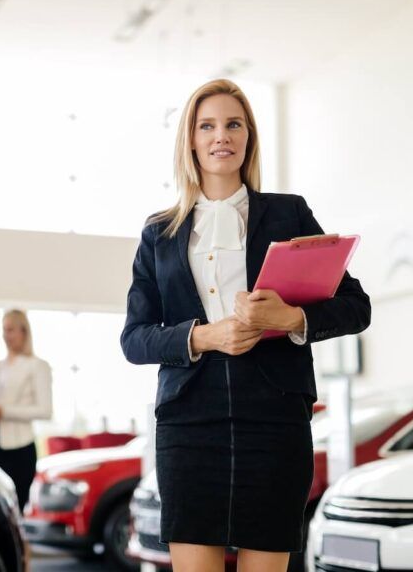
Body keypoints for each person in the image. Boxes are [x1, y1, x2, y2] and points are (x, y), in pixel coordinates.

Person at [120, 79, 371, 572]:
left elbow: (356, 305)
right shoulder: (159, 232)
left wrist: (292, 318)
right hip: (189, 422)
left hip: (274, 421)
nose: (221, 136)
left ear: (249, 136)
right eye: (207, 125)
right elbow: (134, 338)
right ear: (190, 139)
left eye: (233, 124)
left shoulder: (288, 213)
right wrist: (203, 335)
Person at [0, 309, 52, 510]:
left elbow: (45, 410)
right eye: (4, 330)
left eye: (11, 330)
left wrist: (4, 412)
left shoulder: (37, 366)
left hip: (19, 449)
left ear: (24, 332)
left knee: (14, 509)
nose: (6, 335)